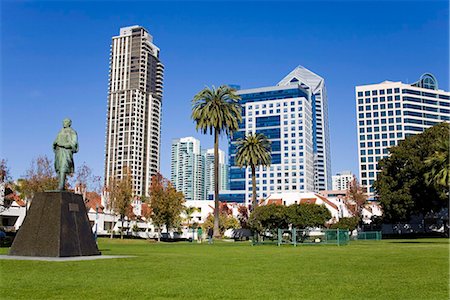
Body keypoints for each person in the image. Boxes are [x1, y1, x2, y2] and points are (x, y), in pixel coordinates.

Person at [53, 118, 78, 190]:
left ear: (70, 123)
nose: (64, 123)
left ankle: (61, 186)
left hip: (66, 152)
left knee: (63, 167)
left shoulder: (72, 132)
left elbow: (74, 143)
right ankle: (61, 185)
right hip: (59, 152)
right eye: (63, 121)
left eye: (66, 121)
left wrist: (64, 144)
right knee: (58, 168)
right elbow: (56, 141)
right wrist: (55, 143)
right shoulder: (60, 131)